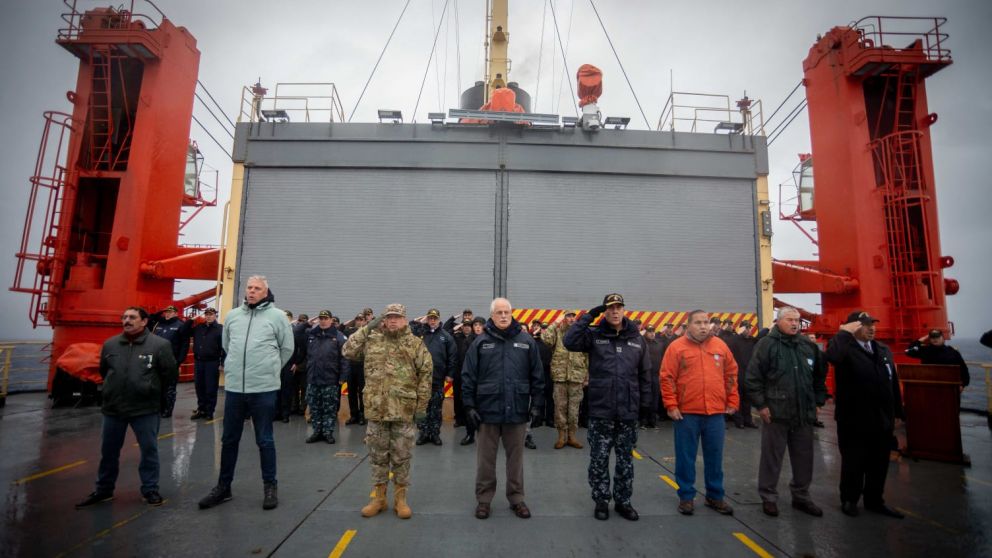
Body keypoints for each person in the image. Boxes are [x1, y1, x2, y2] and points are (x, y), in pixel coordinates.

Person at [198, 276, 294, 511]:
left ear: (266, 292)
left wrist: (268, 369)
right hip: (235, 389)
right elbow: (227, 345)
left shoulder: (278, 317)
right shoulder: (233, 316)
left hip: (263, 388)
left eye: (257, 288)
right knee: (229, 439)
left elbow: (287, 348)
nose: (251, 291)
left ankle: (270, 486)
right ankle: (224, 487)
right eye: (249, 287)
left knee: (265, 439)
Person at [76, 307, 178, 509]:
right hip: (113, 408)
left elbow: (170, 374)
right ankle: (104, 490)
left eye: (132, 317)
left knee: (149, 450)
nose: (127, 320)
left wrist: (151, 391)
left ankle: (150, 489)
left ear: (144, 321)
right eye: (124, 317)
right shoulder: (111, 344)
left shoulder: (160, 345)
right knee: (108, 451)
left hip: (145, 408)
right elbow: (105, 371)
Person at [564, 294, 652, 521]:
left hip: (628, 412)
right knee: (599, 460)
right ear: (604, 311)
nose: (615, 311)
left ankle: (623, 502)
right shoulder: (595, 335)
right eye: (610, 308)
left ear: (624, 310)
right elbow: (569, 341)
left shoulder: (636, 339)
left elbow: (645, 374)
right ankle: (601, 501)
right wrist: (589, 316)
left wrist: (645, 406)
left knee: (625, 461)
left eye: (618, 307)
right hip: (601, 410)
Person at [343, 304, 432, 519]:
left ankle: (401, 500)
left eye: (397, 317)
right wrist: (367, 328)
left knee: (402, 457)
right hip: (377, 410)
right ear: (383, 319)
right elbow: (347, 350)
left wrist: (421, 407)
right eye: (389, 317)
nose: (393, 320)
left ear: (405, 320)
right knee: (377, 457)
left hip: (403, 411)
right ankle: (379, 499)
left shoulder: (415, 344)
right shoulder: (372, 340)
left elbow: (426, 375)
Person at [462, 298, 544, 520]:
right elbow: (468, 376)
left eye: (507, 312)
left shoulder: (526, 341)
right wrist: (469, 406)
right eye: (499, 312)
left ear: (512, 313)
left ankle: (516, 498)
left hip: (517, 410)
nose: (504, 316)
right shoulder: (480, 343)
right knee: (485, 460)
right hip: (487, 411)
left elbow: (537, 376)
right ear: (492, 315)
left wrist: (537, 404)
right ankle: (484, 500)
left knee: (516, 460)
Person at [745, 307, 827, 518]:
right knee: (772, 457)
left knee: (804, 457)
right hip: (776, 413)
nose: (794, 324)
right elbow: (753, 378)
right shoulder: (766, 345)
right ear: (778, 321)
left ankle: (801, 496)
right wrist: (761, 405)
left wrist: (818, 401)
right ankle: (768, 496)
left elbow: (819, 376)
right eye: (790, 320)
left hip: (803, 413)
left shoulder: (807, 346)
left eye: (797, 320)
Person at [660, 309, 739, 516]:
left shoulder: (720, 346)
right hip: (686, 414)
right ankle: (686, 496)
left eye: (706, 322)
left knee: (715, 457)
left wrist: (733, 400)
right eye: (698, 322)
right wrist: (671, 405)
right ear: (688, 325)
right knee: (685, 457)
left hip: (715, 413)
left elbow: (731, 374)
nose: (703, 326)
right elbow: (667, 377)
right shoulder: (676, 347)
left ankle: (715, 495)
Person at [827, 311, 904, 519]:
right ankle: (849, 500)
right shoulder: (844, 349)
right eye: (865, 325)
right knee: (854, 461)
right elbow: (832, 357)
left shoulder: (883, 350)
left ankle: (875, 500)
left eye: (873, 324)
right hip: (854, 418)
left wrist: (898, 411)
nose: (872, 328)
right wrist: (843, 333)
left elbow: (892, 381)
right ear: (853, 327)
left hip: (882, 418)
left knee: (879, 462)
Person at [541, 310, 589, 449]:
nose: (571, 318)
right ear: (564, 318)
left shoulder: (581, 334)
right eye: (568, 316)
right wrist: (555, 323)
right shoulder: (557, 332)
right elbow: (545, 338)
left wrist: (586, 376)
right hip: (560, 376)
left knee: (574, 409)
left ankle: (572, 437)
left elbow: (586, 355)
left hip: (576, 376)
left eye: (573, 316)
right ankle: (561, 437)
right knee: (559, 408)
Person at [411, 308, 456, 446]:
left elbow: (452, 357)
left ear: (439, 320)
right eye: (430, 318)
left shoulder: (446, 336)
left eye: (434, 318)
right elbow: (409, 331)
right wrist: (420, 322)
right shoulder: (420, 333)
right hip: (421, 379)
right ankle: (423, 433)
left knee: (436, 409)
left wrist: (450, 374)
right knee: (422, 407)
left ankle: (435, 433)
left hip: (437, 378)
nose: (432, 321)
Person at [303, 310, 349, 444]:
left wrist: (343, 377)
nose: (323, 321)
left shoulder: (339, 337)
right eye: (321, 318)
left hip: (330, 379)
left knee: (329, 408)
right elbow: (297, 336)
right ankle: (317, 431)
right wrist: (306, 324)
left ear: (331, 320)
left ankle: (328, 432)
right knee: (315, 407)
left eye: (326, 318)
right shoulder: (312, 334)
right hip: (313, 378)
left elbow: (344, 359)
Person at [150, 305, 191, 418]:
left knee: (169, 388)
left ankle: (167, 410)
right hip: (157, 360)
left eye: (170, 312)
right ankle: (158, 408)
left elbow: (185, 344)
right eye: (166, 312)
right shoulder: (159, 324)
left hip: (171, 361)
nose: (167, 314)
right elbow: (149, 320)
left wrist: (179, 361)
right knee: (157, 386)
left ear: (176, 313)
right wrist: (159, 312)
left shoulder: (180, 325)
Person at [905, 329, 970, 394]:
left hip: (945, 390)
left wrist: (963, 385)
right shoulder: (925, 351)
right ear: (929, 339)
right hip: (932, 390)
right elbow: (908, 351)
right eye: (932, 337)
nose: (935, 339)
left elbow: (963, 369)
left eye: (937, 336)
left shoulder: (952, 352)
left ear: (943, 338)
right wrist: (922, 339)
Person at [191, 307, 224, 420]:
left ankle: (209, 411)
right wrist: (191, 320)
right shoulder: (199, 328)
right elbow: (184, 331)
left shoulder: (220, 329)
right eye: (207, 314)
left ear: (215, 316)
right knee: (199, 387)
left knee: (210, 387)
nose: (208, 316)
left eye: (211, 314)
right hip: (199, 361)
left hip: (212, 362)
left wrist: (222, 363)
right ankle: (201, 409)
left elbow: (224, 347)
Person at [729, 321, 758, 428]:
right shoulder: (735, 340)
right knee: (738, 398)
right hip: (738, 373)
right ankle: (739, 421)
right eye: (746, 328)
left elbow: (761, 337)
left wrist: (769, 328)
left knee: (747, 399)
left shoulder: (751, 340)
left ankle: (748, 420)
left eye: (749, 328)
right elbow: (730, 342)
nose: (749, 330)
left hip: (748, 373)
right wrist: (738, 333)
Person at [453, 318, 477, 444]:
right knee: (463, 402)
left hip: (480, 378)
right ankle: (468, 431)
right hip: (463, 375)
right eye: (465, 325)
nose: (467, 327)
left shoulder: (484, 340)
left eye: (469, 325)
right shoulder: (461, 339)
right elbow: (446, 330)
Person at [343, 313, 367, 425]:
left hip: (363, 366)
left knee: (362, 392)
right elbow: (340, 329)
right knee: (351, 392)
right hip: (351, 365)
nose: (359, 321)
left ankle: (362, 415)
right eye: (357, 319)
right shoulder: (350, 332)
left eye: (361, 319)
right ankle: (353, 415)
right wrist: (350, 322)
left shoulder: (368, 332)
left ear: (365, 321)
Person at [642, 325, 664, 429]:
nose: (652, 333)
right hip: (645, 375)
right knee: (645, 398)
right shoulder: (642, 343)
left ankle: (653, 421)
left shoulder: (659, 344)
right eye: (649, 331)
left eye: (653, 331)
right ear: (645, 332)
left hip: (656, 375)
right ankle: (643, 421)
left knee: (655, 399)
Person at [290, 314, 310, 416]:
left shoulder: (309, 334)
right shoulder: (293, 333)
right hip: (293, 366)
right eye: (300, 321)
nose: (301, 323)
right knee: (294, 388)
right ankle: (294, 407)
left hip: (304, 367)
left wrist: (299, 365)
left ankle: (302, 408)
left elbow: (309, 354)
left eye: (304, 321)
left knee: (304, 388)